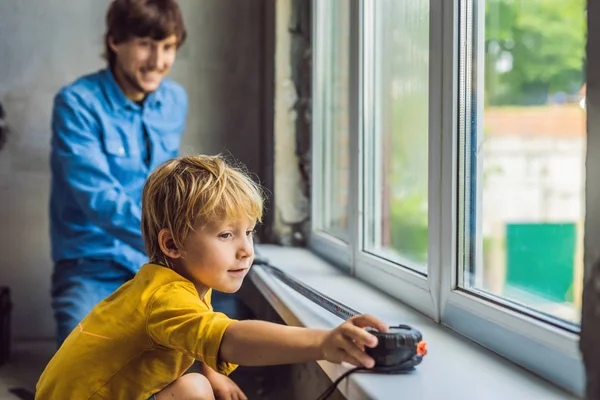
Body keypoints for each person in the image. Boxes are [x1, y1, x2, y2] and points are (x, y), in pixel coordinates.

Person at [35, 155, 389, 400]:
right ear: (173, 243)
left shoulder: (169, 283)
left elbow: (198, 327)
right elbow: (230, 337)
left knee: (197, 385)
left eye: (248, 232)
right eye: (226, 235)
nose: (246, 250)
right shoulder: (165, 297)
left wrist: (212, 370)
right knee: (193, 392)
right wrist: (323, 343)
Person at [49, 0, 188, 346]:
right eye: (145, 44)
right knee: (77, 367)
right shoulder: (76, 103)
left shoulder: (174, 101)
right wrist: (177, 241)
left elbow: (169, 186)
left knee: (206, 350)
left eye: (168, 47)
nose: (158, 62)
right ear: (115, 41)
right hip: (90, 266)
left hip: (158, 264)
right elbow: (97, 197)